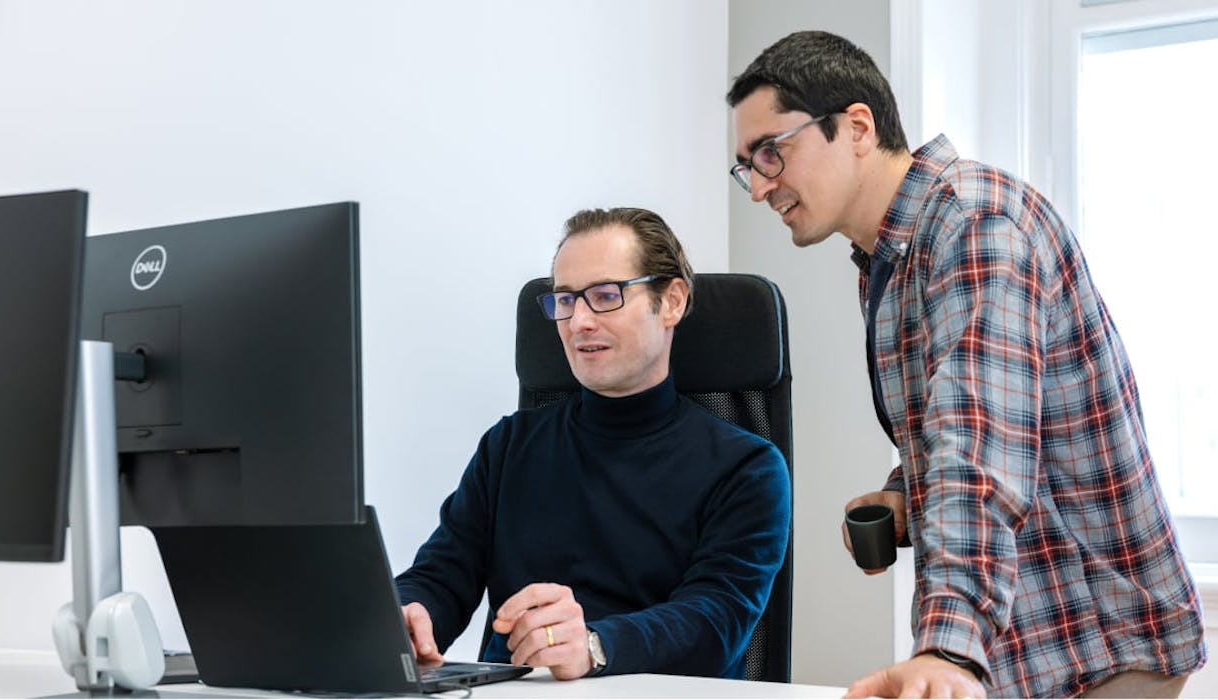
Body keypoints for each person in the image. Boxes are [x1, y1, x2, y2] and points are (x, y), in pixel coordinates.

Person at [727, 30, 1206, 699]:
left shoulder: (976, 224)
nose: (758, 188)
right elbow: (983, 407)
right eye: (747, 166)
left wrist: (948, 648)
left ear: (856, 126)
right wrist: (902, 490)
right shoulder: (891, 259)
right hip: (1029, 636)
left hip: (1098, 642)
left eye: (772, 153)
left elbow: (978, 454)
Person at [394, 207, 791, 681]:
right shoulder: (509, 446)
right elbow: (441, 575)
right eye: (565, 300)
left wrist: (593, 646)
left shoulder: (747, 466)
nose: (579, 321)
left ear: (672, 303)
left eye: (605, 296)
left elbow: (715, 620)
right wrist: (405, 616)